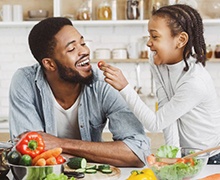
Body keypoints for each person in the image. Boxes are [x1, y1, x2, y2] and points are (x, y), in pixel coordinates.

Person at [8, 17, 151, 167]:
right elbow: (30, 156)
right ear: (50, 64)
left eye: (82, 43)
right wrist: (100, 154)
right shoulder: (25, 82)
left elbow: (138, 153)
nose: (85, 51)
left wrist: (60, 144)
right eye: (71, 49)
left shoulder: (104, 84)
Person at [99, 4, 220, 164]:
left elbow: (155, 124)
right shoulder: (158, 63)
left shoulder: (194, 82)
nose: (149, 43)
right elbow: (166, 113)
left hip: (209, 157)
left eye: (155, 37)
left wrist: (125, 88)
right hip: (186, 157)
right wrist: (173, 157)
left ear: (180, 40)